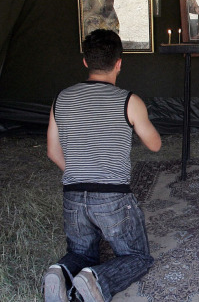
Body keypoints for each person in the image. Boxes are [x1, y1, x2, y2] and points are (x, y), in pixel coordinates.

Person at [44, 29, 162, 302]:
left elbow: (52, 151)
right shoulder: (128, 101)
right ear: (119, 63)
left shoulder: (60, 99)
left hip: (73, 194)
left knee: (82, 253)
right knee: (138, 257)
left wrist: (79, 172)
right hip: (113, 198)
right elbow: (154, 144)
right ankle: (96, 279)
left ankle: (60, 272)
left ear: (85, 61)